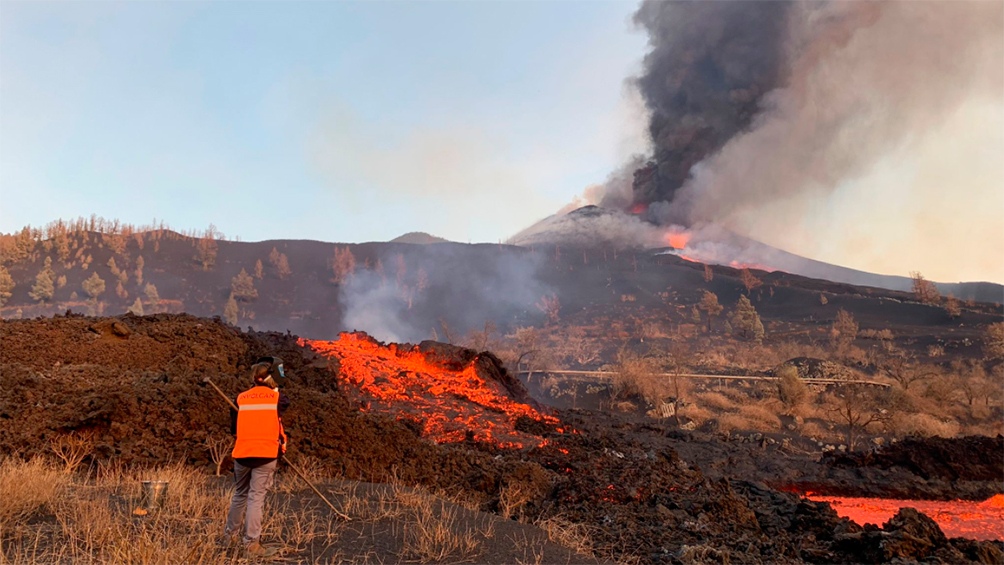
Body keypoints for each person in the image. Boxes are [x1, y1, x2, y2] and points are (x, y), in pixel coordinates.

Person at [223, 356, 290, 557]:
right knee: (256, 498)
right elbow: (283, 405)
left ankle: (229, 538)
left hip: (242, 454)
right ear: (271, 378)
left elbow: (233, 429)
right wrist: (275, 387)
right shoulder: (278, 398)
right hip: (265, 454)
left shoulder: (240, 398)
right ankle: (251, 544)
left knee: (240, 495)